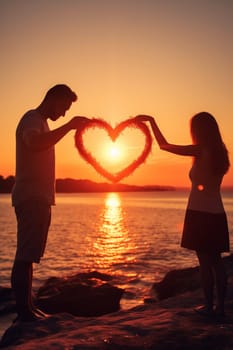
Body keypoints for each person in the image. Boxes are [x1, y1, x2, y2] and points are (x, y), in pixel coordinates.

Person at [135, 112, 230, 318]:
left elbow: (164, 146)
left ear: (200, 130)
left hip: (199, 213)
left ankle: (209, 307)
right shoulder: (221, 152)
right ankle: (220, 308)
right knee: (217, 262)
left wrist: (152, 121)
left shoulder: (200, 149)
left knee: (206, 264)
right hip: (217, 213)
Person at [11, 84, 91, 322]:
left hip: (38, 198)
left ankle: (28, 308)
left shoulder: (41, 122)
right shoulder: (31, 119)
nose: (64, 114)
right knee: (24, 256)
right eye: (64, 107)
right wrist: (68, 127)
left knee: (30, 256)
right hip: (31, 197)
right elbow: (33, 143)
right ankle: (24, 314)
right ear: (54, 98)